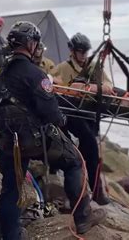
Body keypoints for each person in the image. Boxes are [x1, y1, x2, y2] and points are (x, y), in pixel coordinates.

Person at [0, 21, 106, 240]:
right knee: (74, 160)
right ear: (30, 44)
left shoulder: (2, 72)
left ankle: (11, 235)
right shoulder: (36, 74)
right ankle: (83, 218)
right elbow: (51, 114)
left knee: (10, 187)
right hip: (32, 139)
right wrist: (63, 119)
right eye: (35, 43)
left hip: (7, 139)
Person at [52, 32, 111, 205]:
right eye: (80, 51)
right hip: (71, 114)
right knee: (86, 149)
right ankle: (91, 192)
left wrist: (88, 87)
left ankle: (94, 190)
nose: (83, 55)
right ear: (72, 51)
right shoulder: (63, 67)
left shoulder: (93, 67)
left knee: (91, 151)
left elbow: (108, 86)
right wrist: (68, 88)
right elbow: (51, 83)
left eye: (85, 52)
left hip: (90, 114)